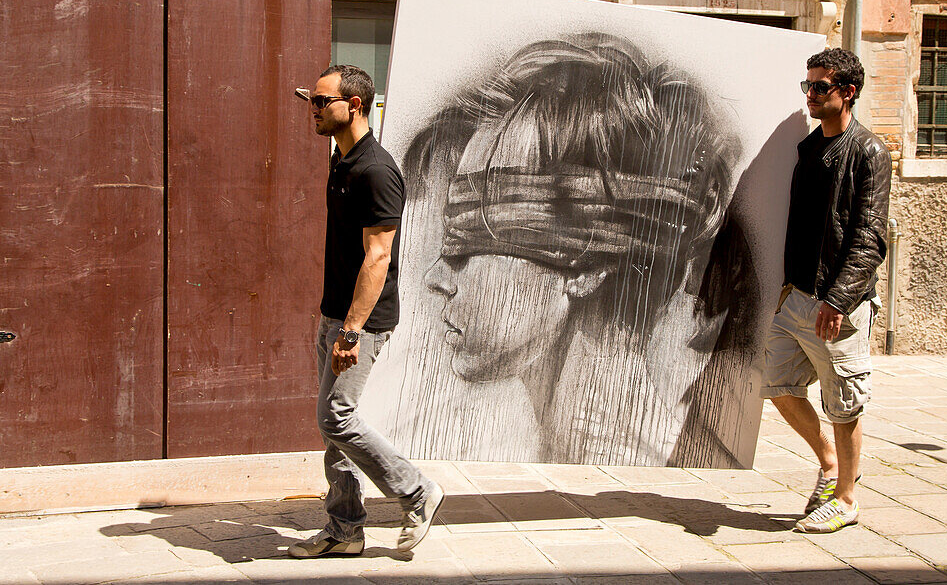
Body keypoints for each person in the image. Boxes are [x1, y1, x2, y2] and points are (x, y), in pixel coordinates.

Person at [406, 34, 758, 465]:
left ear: (587, 264)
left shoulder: (642, 470)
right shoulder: (585, 452)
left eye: (469, 241)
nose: (437, 278)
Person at [288, 64, 443, 557]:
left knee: (336, 416)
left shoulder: (376, 170)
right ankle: (344, 529)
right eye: (309, 100)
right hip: (334, 312)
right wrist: (335, 322)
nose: (311, 109)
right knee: (332, 425)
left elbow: (379, 256)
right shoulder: (342, 159)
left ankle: (416, 491)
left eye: (320, 101)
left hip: (361, 321)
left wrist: (350, 332)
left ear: (353, 106)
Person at [760, 47, 891, 534]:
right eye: (807, 86)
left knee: (844, 400)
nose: (810, 95)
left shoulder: (868, 152)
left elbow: (869, 236)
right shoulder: (810, 149)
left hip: (840, 302)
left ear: (848, 92)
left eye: (820, 87)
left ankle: (847, 499)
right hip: (795, 295)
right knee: (771, 381)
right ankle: (831, 463)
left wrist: (840, 298)